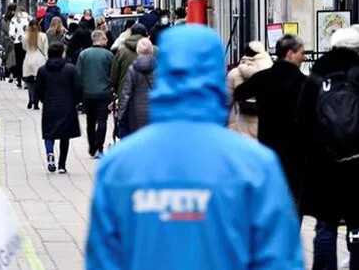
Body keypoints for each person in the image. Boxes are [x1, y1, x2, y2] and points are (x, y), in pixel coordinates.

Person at [87, 25, 303, 269]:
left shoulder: (119, 166)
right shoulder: (256, 167)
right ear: (216, 75)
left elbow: (103, 260)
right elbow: (279, 260)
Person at [297, 28, 359, 270]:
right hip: (356, 161)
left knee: (325, 224)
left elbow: (303, 117)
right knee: (356, 224)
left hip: (323, 162)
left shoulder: (319, 70)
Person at [233, 34, 306, 199]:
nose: (304, 57)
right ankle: (293, 222)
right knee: (295, 190)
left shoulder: (263, 77)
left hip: (268, 140)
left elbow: (239, 93)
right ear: (290, 54)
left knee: (271, 187)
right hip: (295, 145)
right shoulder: (303, 81)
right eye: (301, 53)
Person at [36, 42, 82, 174]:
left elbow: (38, 90)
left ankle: (50, 154)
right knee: (64, 136)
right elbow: (77, 88)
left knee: (48, 133)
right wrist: (76, 101)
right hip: (67, 105)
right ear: (62, 53)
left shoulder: (42, 70)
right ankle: (62, 164)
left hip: (50, 105)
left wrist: (43, 100)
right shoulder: (70, 69)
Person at [76, 30, 114, 158]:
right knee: (102, 120)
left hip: (88, 93)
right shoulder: (109, 55)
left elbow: (78, 74)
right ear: (102, 39)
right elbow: (112, 74)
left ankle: (92, 147)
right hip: (104, 93)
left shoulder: (83, 54)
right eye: (105, 39)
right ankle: (99, 146)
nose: (107, 41)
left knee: (90, 121)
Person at [226, 41, 272, 139]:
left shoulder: (234, 73)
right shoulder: (271, 74)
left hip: (239, 127)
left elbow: (226, 100)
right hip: (264, 126)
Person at [118, 37, 155, 135]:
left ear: (138, 50)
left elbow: (126, 93)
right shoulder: (158, 67)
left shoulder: (133, 69)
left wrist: (121, 115)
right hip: (154, 109)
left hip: (136, 112)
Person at [110, 23, 148, 98]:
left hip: (125, 93)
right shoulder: (154, 50)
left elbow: (114, 75)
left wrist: (115, 89)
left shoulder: (121, 51)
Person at [23, 19, 48, 110]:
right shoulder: (43, 36)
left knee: (29, 81)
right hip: (40, 60)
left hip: (29, 58)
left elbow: (24, 48)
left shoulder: (25, 36)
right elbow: (45, 49)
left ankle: (31, 98)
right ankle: (36, 102)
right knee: (39, 82)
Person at [9, 6, 30, 89]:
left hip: (18, 42)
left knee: (19, 61)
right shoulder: (28, 18)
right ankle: (26, 80)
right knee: (26, 61)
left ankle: (19, 80)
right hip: (27, 42)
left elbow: (11, 32)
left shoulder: (14, 19)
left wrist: (14, 38)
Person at [0, 4, 17, 82]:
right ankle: (13, 73)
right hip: (14, 40)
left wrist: (2, 43)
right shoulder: (16, 19)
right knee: (13, 57)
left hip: (7, 41)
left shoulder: (4, 20)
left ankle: (11, 73)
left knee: (10, 57)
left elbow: (2, 32)